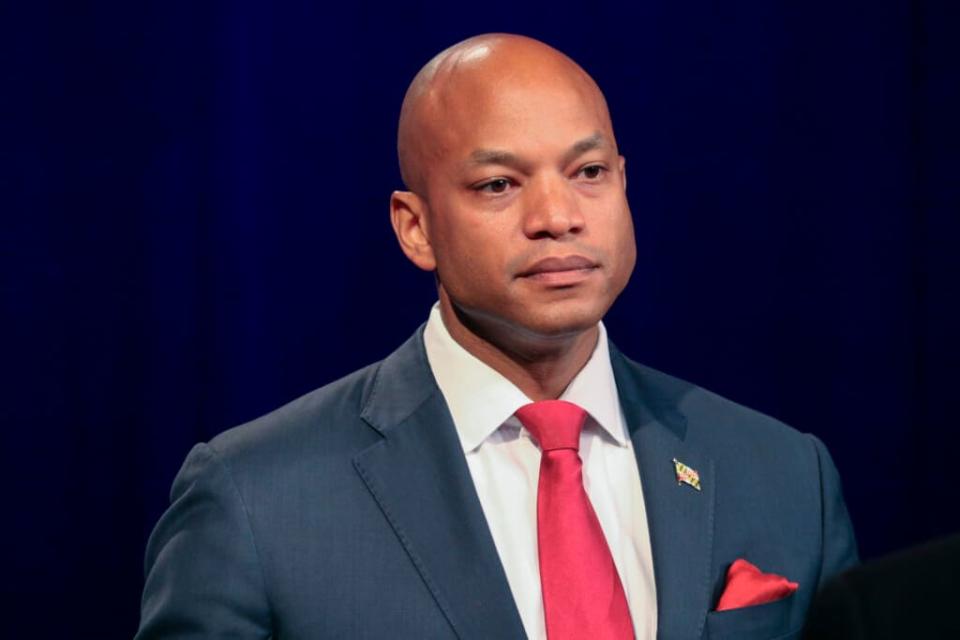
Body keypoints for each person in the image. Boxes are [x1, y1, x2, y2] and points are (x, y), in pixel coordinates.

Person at [136, 34, 857, 640]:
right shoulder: (258, 500)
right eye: (498, 186)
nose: (557, 215)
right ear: (415, 227)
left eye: (589, 172)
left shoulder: (787, 476)